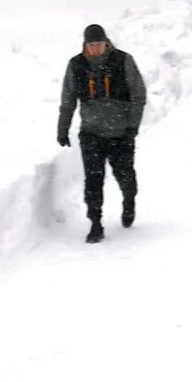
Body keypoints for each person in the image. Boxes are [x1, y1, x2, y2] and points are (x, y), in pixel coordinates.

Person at [54, 23, 149, 244]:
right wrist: (63, 129)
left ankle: (129, 201)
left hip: (120, 133)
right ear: (85, 45)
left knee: (124, 175)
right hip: (91, 134)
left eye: (99, 44)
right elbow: (67, 100)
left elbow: (138, 94)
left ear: (106, 43)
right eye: (91, 45)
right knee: (93, 180)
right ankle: (95, 223)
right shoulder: (76, 65)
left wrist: (132, 126)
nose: (96, 49)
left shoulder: (123, 60)